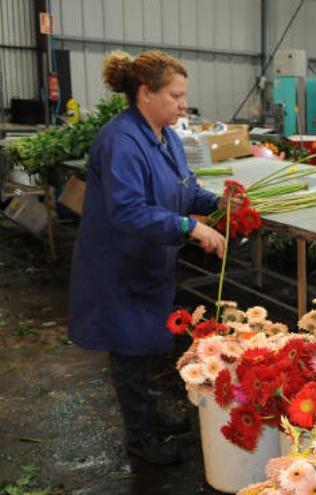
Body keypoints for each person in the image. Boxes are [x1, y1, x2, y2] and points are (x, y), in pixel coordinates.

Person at [68, 50, 230, 465]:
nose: (183, 105)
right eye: (176, 96)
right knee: (127, 349)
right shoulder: (121, 140)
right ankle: (140, 438)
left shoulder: (166, 136)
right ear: (145, 93)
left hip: (148, 261)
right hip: (119, 266)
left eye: (183, 96)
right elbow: (128, 211)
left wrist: (218, 203)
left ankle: (150, 416)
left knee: (143, 348)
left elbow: (184, 187)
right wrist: (190, 227)